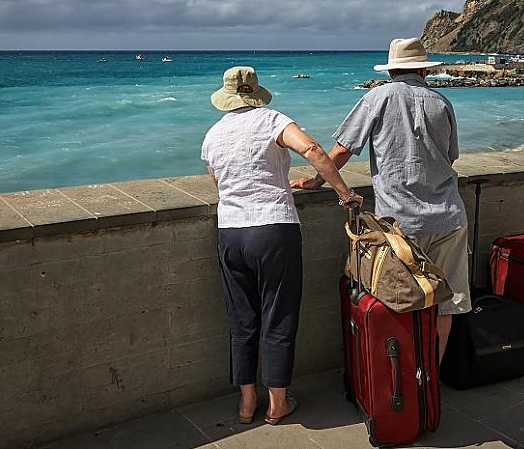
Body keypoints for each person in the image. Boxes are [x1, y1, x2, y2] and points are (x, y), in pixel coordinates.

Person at [292, 38, 472, 365]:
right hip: (449, 218)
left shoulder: (377, 97)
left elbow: (342, 150)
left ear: (391, 69)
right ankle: (431, 380)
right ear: (422, 69)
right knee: (447, 303)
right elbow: (451, 157)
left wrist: (317, 181)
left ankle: (402, 382)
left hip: (400, 226)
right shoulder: (441, 102)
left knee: (399, 302)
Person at [202, 66, 363, 425]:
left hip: (230, 232)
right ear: (256, 93)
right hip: (273, 228)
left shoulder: (212, 135)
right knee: (278, 314)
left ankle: (246, 403)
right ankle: (277, 402)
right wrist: (345, 194)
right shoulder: (271, 119)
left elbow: (219, 183)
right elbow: (312, 149)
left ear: (226, 98)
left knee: (242, 319)